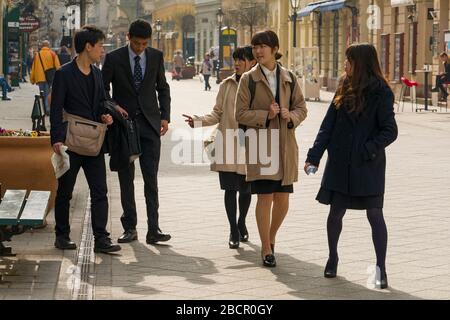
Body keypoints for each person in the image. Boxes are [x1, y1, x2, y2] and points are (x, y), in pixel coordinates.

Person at [305, 43, 398, 289]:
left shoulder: (381, 92)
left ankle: (381, 268)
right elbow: (328, 125)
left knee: (375, 214)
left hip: (368, 165)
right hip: (340, 163)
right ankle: (332, 257)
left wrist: (368, 149)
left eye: (349, 60)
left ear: (361, 62)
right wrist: (314, 156)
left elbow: (390, 130)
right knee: (335, 212)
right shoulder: (344, 86)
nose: (345, 64)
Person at [235, 30, 307, 267]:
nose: (257, 51)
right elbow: (240, 114)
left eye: (262, 46)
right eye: (255, 47)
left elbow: (301, 108)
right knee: (265, 196)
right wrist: (267, 115)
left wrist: (290, 116)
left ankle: (271, 235)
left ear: (274, 49)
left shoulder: (290, 77)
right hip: (261, 147)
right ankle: (266, 247)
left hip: (285, 146)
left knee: (283, 199)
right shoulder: (248, 79)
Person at [50, 25, 121, 253]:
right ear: (88, 46)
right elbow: (56, 109)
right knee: (65, 191)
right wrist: (56, 139)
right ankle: (62, 235)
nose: (102, 51)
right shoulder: (64, 73)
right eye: (100, 46)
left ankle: (101, 238)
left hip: (93, 143)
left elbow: (101, 101)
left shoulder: (98, 74)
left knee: (100, 190)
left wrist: (105, 114)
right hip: (70, 142)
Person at [102, 19, 171, 245]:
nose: (141, 48)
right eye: (137, 43)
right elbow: (103, 91)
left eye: (144, 44)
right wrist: (113, 107)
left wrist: (165, 116)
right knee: (126, 179)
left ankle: (154, 228)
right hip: (124, 127)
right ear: (128, 37)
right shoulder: (114, 58)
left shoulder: (156, 56)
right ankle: (130, 227)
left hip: (150, 125)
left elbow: (163, 87)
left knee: (151, 179)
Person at [182, 46, 256, 249]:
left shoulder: (259, 84)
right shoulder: (226, 85)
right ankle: (233, 229)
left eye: (242, 59)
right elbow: (216, 114)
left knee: (246, 189)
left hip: (250, 143)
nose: (237, 63)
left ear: (252, 62)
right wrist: (197, 121)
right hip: (227, 142)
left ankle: (242, 222)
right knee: (230, 188)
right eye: (236, 59)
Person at [30, 40, 61, 115]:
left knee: (42, 94)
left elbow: (33, 67)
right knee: (48, 93)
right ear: (48, 45)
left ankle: (43, 108)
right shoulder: (52, 54)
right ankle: (47, 109)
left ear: (42, 46)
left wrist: (32, 79)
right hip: (49, 78)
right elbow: (58, 66)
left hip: (39, 77)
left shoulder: (37, 54)